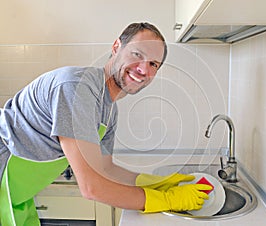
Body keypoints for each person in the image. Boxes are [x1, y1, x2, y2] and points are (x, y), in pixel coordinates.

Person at [0, 22, 212, 225]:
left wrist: (157, 183)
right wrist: (167, 200)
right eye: (137, 55)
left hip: (17, 193)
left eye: (153, 64)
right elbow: (91, 186)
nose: (143, 69)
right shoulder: (77, 88)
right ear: (116, 47)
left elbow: (106, 169)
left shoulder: (109, 110)